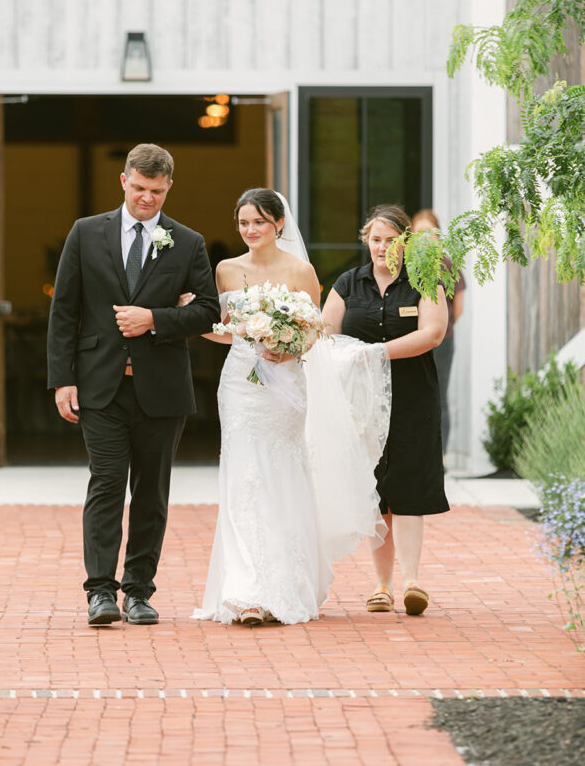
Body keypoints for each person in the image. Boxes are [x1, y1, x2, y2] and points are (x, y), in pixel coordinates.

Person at [193, 189, 390, 626]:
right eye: (243, 223)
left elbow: (315, 331)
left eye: (258, 222)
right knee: (243, 478)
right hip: (240, 385)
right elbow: (220, 330)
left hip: (284, 386)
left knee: (280, 476)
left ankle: (285, 583)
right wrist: (206, 324)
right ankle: (244, 590)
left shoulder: (301, 271)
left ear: (279, 223)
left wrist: (286, 346)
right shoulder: (225, 270)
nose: (250, 231)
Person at [47, 143, 219, 627]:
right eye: (140, 188)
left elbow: (208, 310)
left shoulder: (187, 242)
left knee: (151, 493)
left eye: (157, 192)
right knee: (106, 485)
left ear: (169, 188)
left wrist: (155, 319)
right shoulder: (85, 233)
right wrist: (62, 379)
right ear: (124, 180)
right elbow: (65, 310)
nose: (147, 199)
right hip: (99, 386)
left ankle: (138, 592)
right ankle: (99, 592)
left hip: (162, 392)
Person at [322, 205, 449, 617]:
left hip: (413, 398)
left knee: (410, 485)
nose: (382, 247)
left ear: (405, 243)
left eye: (391, 240)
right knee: (375, 491)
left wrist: (376, 353)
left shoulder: (425, 281)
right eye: (375, 240)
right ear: (367, 241)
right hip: (360, 403)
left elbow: (432, 333)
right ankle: (381, 586)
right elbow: (325, 333)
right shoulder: (347, 283)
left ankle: (412, 581)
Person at [411, 209, 465, 457]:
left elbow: (459, 308)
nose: (423, 237)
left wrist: (437, 326)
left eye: (429, 232)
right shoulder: (407, 266)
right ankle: (417, 453)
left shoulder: (447, 265)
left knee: (439, 395)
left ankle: (440, 456)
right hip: (412, 342)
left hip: (443, 342)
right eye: (418, 232)